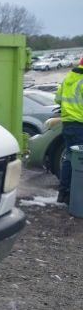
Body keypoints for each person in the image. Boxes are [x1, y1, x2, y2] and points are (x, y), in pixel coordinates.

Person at [56, 57, 83, 204]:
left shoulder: (68, 78)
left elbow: (58, 99)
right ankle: (75, 196)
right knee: (79, 160)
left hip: (67, 124)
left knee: (69, 158)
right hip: (80, 124)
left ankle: (64, 193)